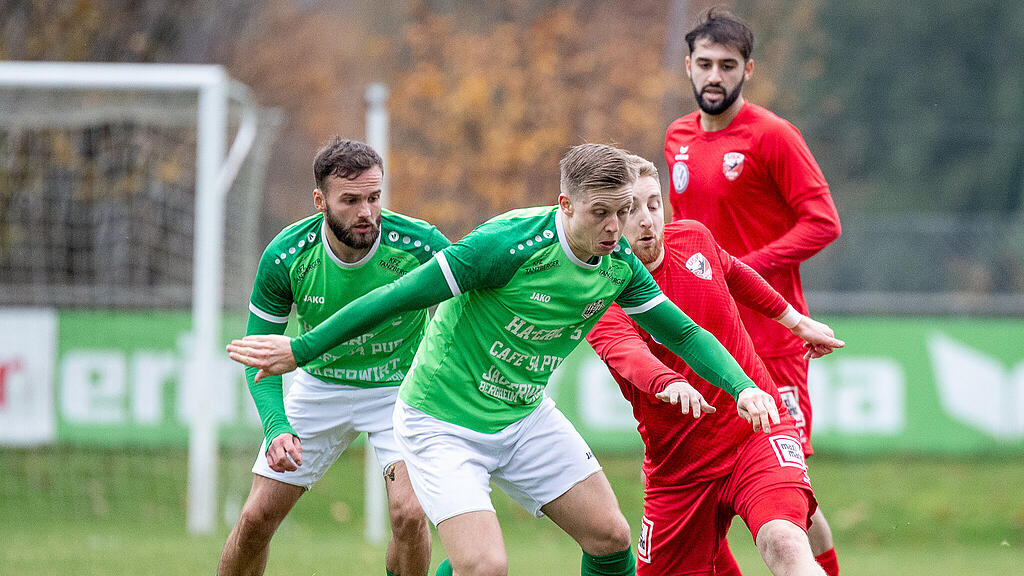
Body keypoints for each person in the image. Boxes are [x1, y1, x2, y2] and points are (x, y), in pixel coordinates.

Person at [227, 143, 783, 576]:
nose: (616, 229)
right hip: (441, 422)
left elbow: (684, 334)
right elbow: (394, 297)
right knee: (487, 565)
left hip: (522, 414)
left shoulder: (618, 264)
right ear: (565, 206)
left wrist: (742, 388)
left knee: (611, 537)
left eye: (624, 211)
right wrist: (300, 349)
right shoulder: (505, 245)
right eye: (601, 213)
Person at [588, 155, 844, 576]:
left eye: (654, 204)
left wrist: (796, 322)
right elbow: (627, 355)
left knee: (783, 541)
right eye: (631, 209)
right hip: (679, 470)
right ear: (610, 220)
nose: (648, 220)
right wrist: (669, 382)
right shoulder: (599, 294)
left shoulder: (693, 238)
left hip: (755, 434)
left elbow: (735, 272)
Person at [664, 8, 844, 575]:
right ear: (688, 66)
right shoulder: (677, 139)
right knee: (699, 482)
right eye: (704, 64)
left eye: (727, 65)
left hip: (771, 339)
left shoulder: (772, 136)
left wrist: (743, 270)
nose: (714, 76)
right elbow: (682, 233)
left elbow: (822, 221)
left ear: (748, 70)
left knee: (791, 492)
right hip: (705, 344)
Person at [217, 138, 448, 576]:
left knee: (410, 514)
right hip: (319, 386)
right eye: (351, 200)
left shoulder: (419, 245)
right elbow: (262, 356)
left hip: (401, 390)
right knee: (255, 518)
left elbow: (465, 313)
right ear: (321, 201)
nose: (366, 212)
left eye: (374, 198)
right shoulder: (287, 256)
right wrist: (276, 426)